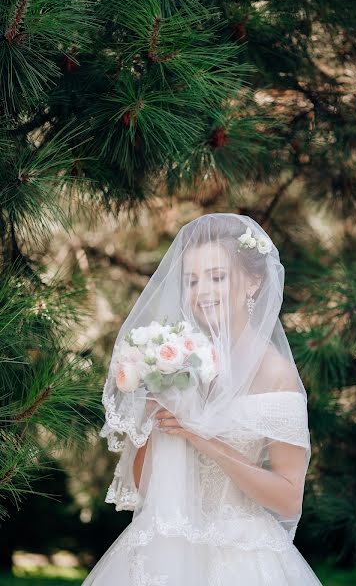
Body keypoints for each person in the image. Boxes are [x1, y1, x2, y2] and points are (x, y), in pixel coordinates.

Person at [82, 213, 323, 585]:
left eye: (217, 277)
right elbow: (144, 487)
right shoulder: (177, 361)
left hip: (242, 555)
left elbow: (289, 498)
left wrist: (202, 438)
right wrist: (150, 420)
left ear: (253, 281)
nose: (201, 292)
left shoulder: (277, 375)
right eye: (191, 280)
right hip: (166, 544)